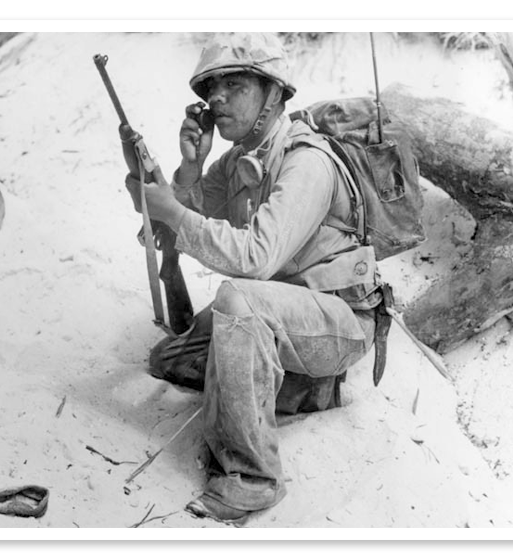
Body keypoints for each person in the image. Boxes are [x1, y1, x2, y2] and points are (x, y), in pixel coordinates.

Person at [125, 32, 382, 523]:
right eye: (210, 89)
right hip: (283, 311)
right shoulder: (239, 160)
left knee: (237, 299)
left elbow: (255, 258)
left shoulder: (307, 161)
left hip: (339, 320)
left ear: (274, 93)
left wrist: (174, 216)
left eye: (234, 86)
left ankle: (254, 477)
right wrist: (189, 167)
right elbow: (193, 220)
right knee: (170, 361)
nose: (216, 99)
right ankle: (298, 389)